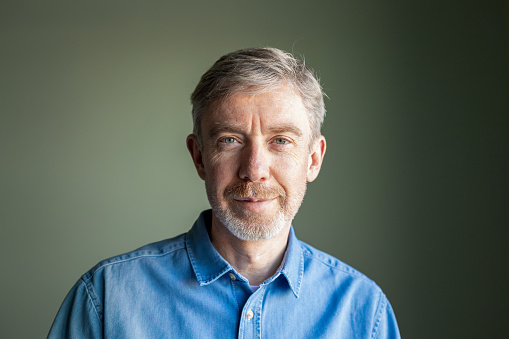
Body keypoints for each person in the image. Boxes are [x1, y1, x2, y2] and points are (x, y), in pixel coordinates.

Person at [48, 47, 400, 338]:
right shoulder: (106, 300)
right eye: (230, 140)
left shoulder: (364, 313)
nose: (254, 169)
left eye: (281, 140)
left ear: (313, 159)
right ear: (199, 156)